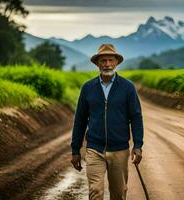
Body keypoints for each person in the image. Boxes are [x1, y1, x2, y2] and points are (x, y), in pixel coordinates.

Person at [70, 44, 144, 200]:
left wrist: (138, 145)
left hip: (119, 150)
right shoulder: (88, 88)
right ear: (97, 64)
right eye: (103, 60)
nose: (107, 64)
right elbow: (80, 120)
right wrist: (75, 149)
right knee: (95, 192)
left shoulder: (127, 87)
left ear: (116, 62)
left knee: (118, 194)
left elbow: (136, 117)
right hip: (94, 149)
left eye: (111, 60)